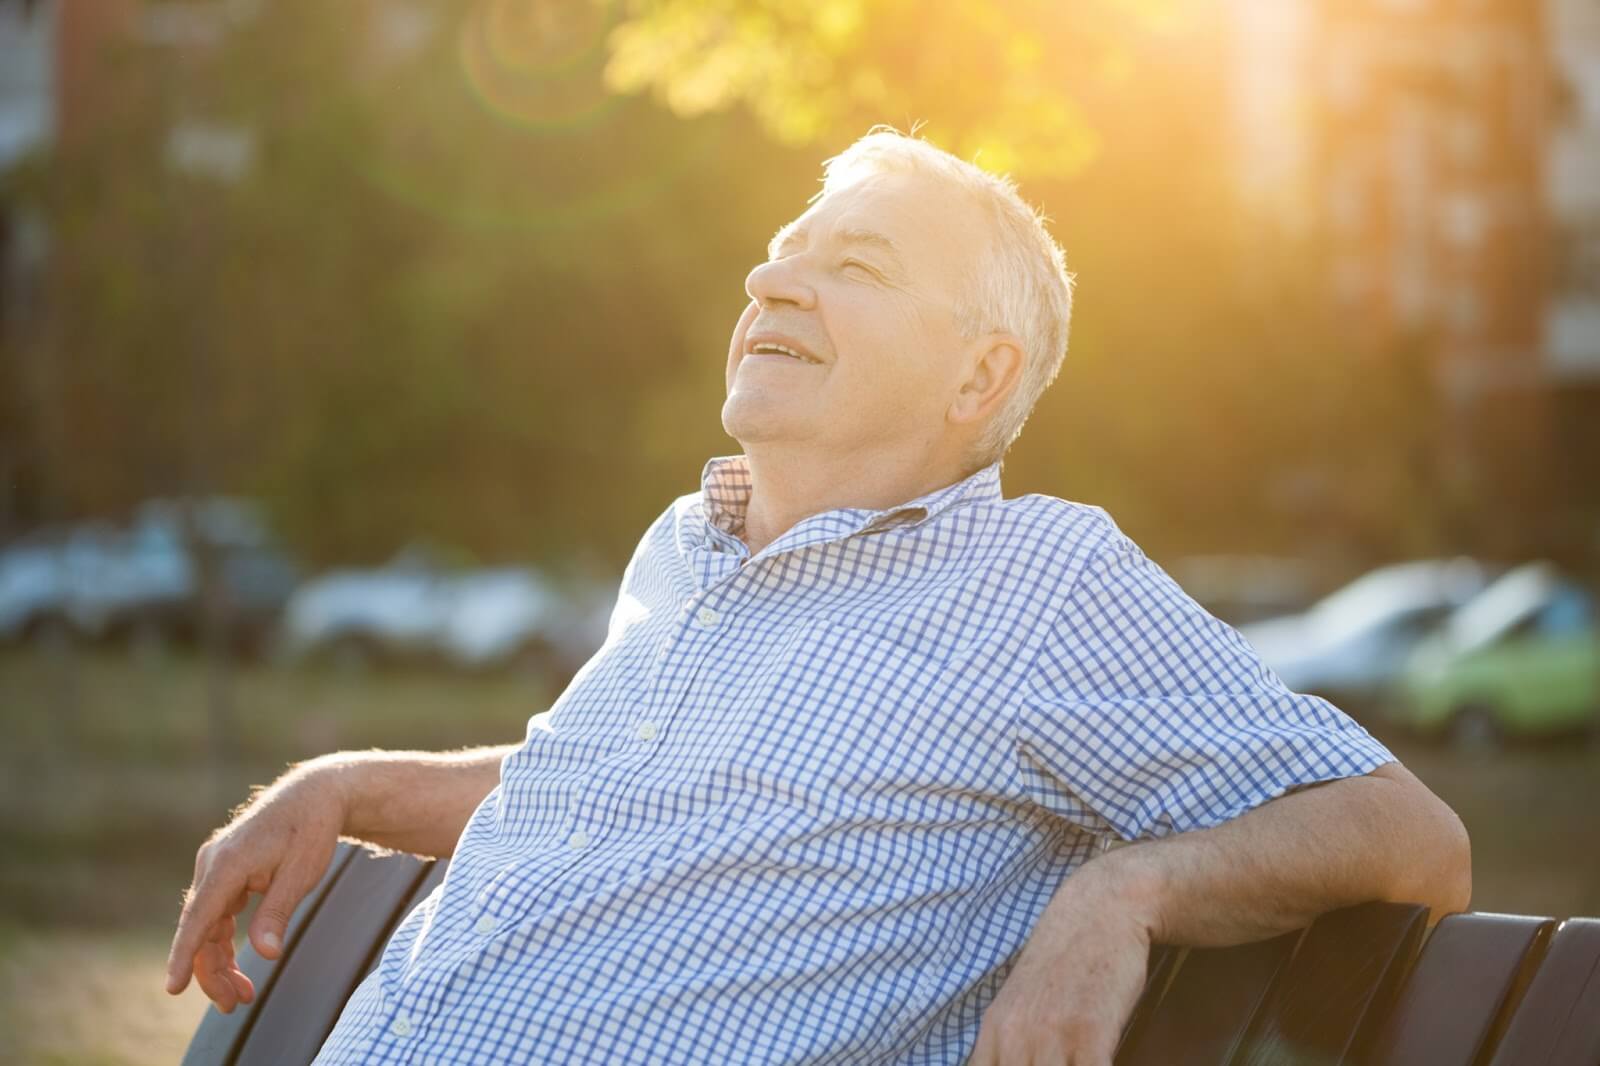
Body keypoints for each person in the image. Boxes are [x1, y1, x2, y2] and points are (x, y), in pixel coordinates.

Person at [166, 128, 1471, 1065]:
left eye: (854, 265)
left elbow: (1411, 837)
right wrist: (348, 784)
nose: (770, 281)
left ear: (977, 377)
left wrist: (1120, 893)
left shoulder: (1033, 579)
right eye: (783, 254)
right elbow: (611, 783)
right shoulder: (686, 549)